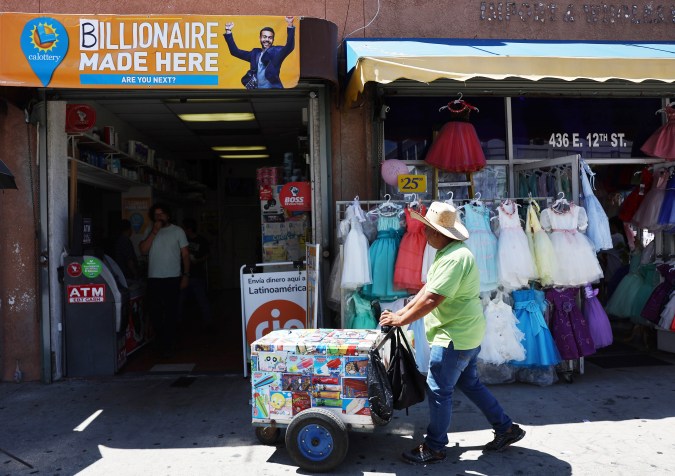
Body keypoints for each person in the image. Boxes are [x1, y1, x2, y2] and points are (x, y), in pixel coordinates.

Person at [379, 201, 525, 465]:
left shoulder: (455, 258)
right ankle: (505, 427)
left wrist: (401, 319)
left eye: (427, 229)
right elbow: (426, 290)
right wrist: (401, 315)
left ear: (438, 233)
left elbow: (432, 299)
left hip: (455, 336)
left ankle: (435, 446)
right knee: (469, 383)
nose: (423, 233)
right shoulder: (448, 253)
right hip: (464, 332)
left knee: (438, 389)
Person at [139, 203, 190, 358]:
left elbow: (185, 255)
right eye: (156, 215)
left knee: (171, 312)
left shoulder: (177, 231)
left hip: (172, 277)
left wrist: (186, 275)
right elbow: (142, 250)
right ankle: (161, 339)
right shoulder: (150, 230)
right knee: (154, 312)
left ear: (168, 215)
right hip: (154, 278)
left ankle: (169, 344)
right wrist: (154, 231)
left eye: (161, 214)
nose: (159, 217)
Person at [223, 16, 295, 89]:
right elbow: (235, 52)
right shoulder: (255, 53)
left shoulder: (276, 52)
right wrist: (228, 31)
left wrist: (290, 24)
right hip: (257, 92)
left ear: (273, 40)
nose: (267, 39)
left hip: (273, 93)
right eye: (264, 37)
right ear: (260, 38)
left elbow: (289, 47)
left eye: (270, 37)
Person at [180, 218, 213, 328]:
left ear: (189, 229)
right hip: (184, 274)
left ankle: (208, 323)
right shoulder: (182, 240)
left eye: (185, 228)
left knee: (202, 299)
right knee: (181, 300)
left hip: (197, 274)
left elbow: (207, 254)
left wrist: (197, 260)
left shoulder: (201, 240)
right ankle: (180, 323)